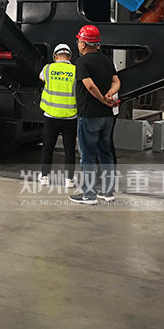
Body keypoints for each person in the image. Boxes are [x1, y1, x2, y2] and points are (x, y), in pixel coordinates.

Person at [69, 25, 120, 205]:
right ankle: (108, 192)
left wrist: (103, 99)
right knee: (106, 154)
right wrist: (110, 95)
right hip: (107, 116)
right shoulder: (106, 60)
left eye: (79, 41)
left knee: (88, 156)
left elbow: (89, 86)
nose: (78, 44)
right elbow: (116, 81)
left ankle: (89, 195)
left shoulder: (82, 62)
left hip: (89, 115)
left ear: (84, 44)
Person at [38, 43, 78, 191]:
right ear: (70, 57)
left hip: (51, 115)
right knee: (69, 149)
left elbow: (41, 78)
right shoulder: (76, 70)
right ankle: (69, 180)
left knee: (48, 147)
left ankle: (44, 177)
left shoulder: (48, 69)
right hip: (70, 116)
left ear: (55, 56)